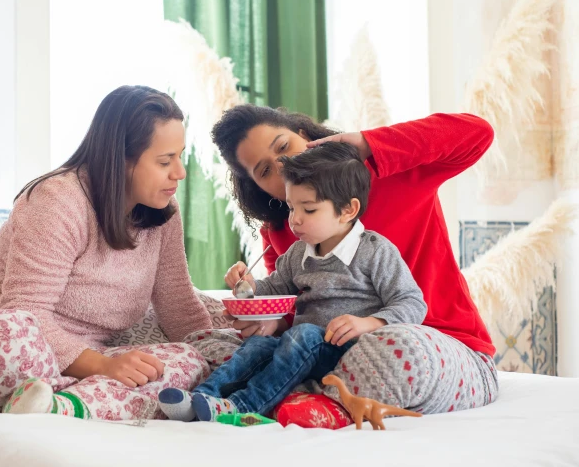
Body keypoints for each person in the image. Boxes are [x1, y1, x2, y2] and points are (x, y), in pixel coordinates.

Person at [0, 85, 213, 421]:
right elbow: (26, 311)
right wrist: (104, 366)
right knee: (10, 334)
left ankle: (60, 405)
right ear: (121, 159)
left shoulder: (163, 213)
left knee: (190, 361)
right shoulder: (57, 200)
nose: (180, 172)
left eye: (180, 155)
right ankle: (70, 392)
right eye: (165, 160)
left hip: (80, 360)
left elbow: (179, 306)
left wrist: (222, 355)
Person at [208, 106, 499, 414]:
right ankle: (292, 402)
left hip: (439, 347)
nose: (283, 167)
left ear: (306, 137)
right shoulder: (284, 232)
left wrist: (365, 143)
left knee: (396, 350)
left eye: (283, 147)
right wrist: (270, 322)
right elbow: (303, 317)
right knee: (233, 349)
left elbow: (479, 133)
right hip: (339, 357)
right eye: (264, 171)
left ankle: (323, 404)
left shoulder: (393, 174)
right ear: (258, 186)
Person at [158, 142, 426, 422]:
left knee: (305, 334)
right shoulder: (299, 252)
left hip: (347, 350)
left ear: (348, 210)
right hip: (297, 348)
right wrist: (246, 286)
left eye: (308, 210)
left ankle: (241, 406)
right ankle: (203, 397)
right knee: (258, 345)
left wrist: (369, 323)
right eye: (290, 207)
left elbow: (412, 302)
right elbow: (272, 289)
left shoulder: (375, 251)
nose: (294, 220)